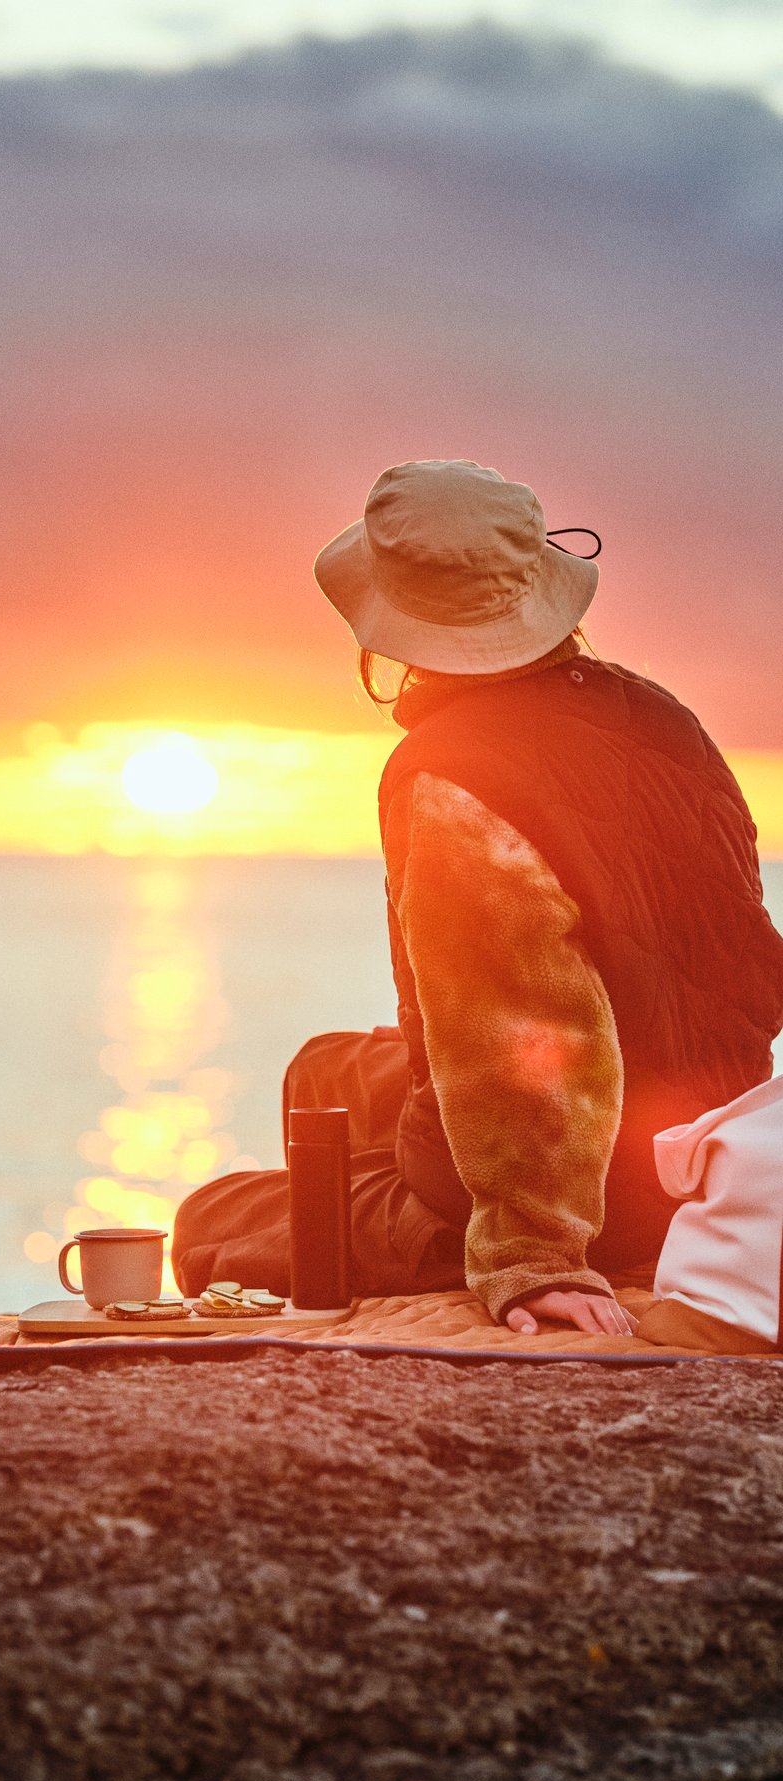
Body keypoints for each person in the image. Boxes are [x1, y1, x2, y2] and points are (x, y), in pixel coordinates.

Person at [173, 460, 783, 1336]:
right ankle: (399, 1200)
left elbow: (529, 1030)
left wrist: (532, 1258)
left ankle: (425, 1244)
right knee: (323, 1067)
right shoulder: (664, 718)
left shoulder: (453, 777)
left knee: (212, 1218)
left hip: (600, 1198)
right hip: (698, 1143)